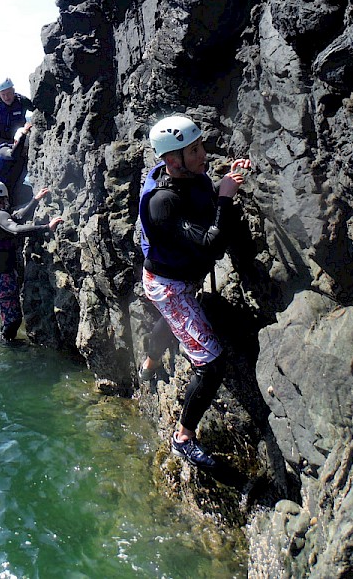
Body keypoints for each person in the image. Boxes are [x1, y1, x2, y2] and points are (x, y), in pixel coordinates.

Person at [137, 115, 251, 469]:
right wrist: (227, 200)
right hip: (169, 287)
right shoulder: (162, 202)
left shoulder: (187, 174)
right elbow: (211, 247)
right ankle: (183, 437)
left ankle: (150, 364)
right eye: (195, 150)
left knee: (173, 324)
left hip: (179, 278)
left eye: (200, 146)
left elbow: (202, 202)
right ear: (172, 160)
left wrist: (225, 182)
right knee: (211, 363)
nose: (204, 155)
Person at [0, 180, 63, 342]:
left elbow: (17, 218)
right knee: (13, 320)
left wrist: (35, 200)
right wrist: (46, 228)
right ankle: (7, 347)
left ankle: (4, 339)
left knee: (7, 316)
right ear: (4, 198)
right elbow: (14, 229)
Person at [0, 78, 35, 151]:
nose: (6, 97)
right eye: (3, 94)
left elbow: (37, 113)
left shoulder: (22, 101)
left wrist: (29, 125)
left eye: (9, 93)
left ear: (13, 91)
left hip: (18, 138)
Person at [0, 126, 32, 208]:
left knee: (29, 192)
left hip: (12, 188)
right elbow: (13, 155)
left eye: (26, 149)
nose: (25, 151)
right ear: (15, 142)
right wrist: (23, 136)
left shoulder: (24, 156)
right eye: (24, 148)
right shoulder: (4, 151)